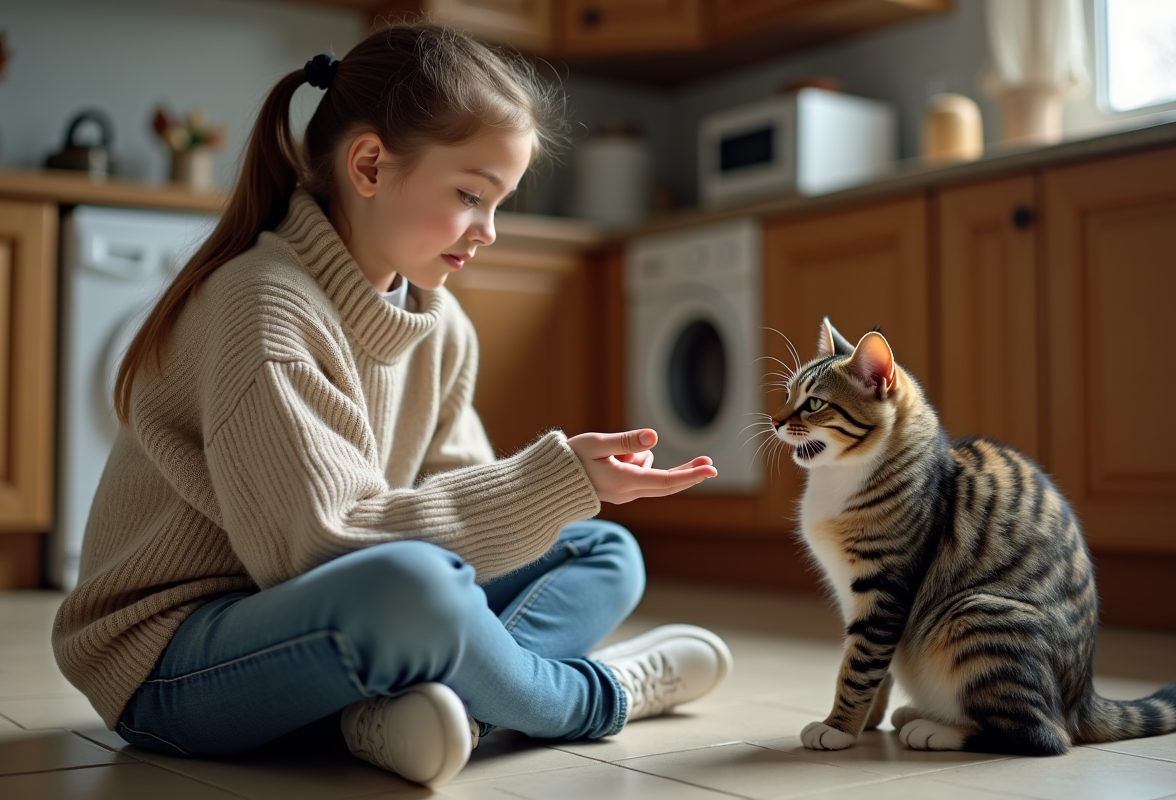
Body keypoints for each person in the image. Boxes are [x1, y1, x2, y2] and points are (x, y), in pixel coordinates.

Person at [51, 21, 734, 788]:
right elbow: (319, 549)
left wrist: (570, 493)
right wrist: (553, 477)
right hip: (173, 660)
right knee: (419, 590)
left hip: (336, 620)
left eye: (500, 202)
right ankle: (591, 695)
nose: (490, 231)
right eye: (472, 195)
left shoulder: (441, 326)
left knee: (601, 549)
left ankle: (431, 713)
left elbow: (461, 529)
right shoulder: (262, 309)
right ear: (371, 165)